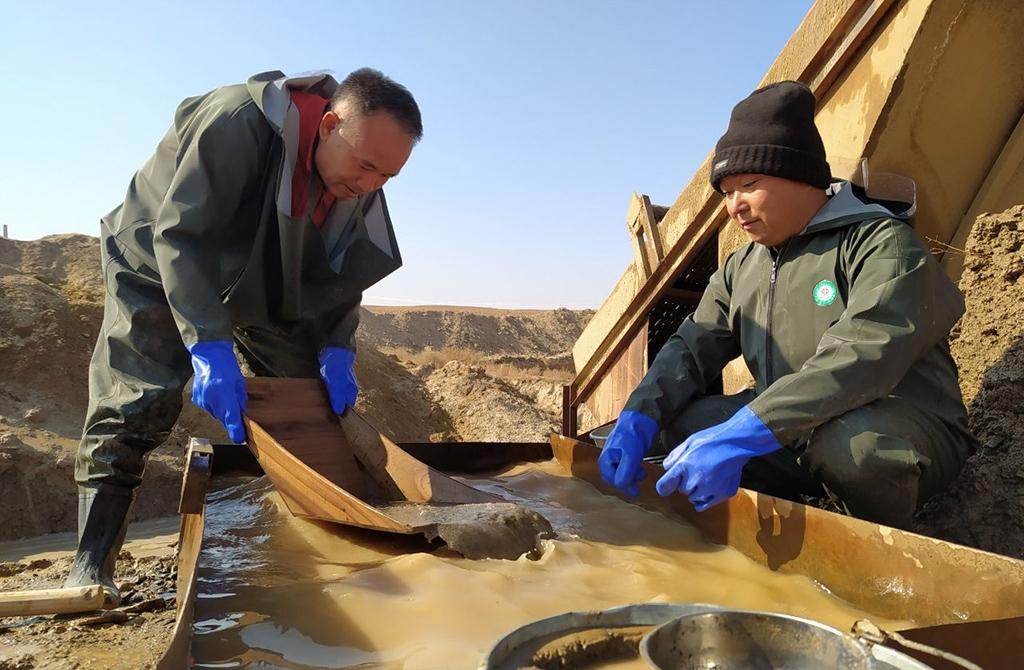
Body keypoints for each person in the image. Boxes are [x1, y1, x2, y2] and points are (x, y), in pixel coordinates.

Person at [65, 68, 422, 599]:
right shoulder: (238, 123)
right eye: (367, 167)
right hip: (159, 261)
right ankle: (91, 565)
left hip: (258, 277)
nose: (370, 186)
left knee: (306, 398)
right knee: (136, 401)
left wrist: (336, 347)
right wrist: (208, 345)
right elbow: (182, 239)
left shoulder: (358, 178)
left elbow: (343, 274)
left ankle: (319, 532)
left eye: (387, 178)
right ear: (328, 125)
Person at [598, 80, 975, 529]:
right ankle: (795, 499)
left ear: (801, 176)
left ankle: (870, 535)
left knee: (852, 449)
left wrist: (749, 430)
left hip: (900, 427)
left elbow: (866, 355)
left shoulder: (880, 243)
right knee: (685, 424)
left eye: (750, 184)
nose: (735, 206)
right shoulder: (743, 267)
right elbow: (690, 348)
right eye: (726, 192)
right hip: (794, 429)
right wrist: (639, 415)